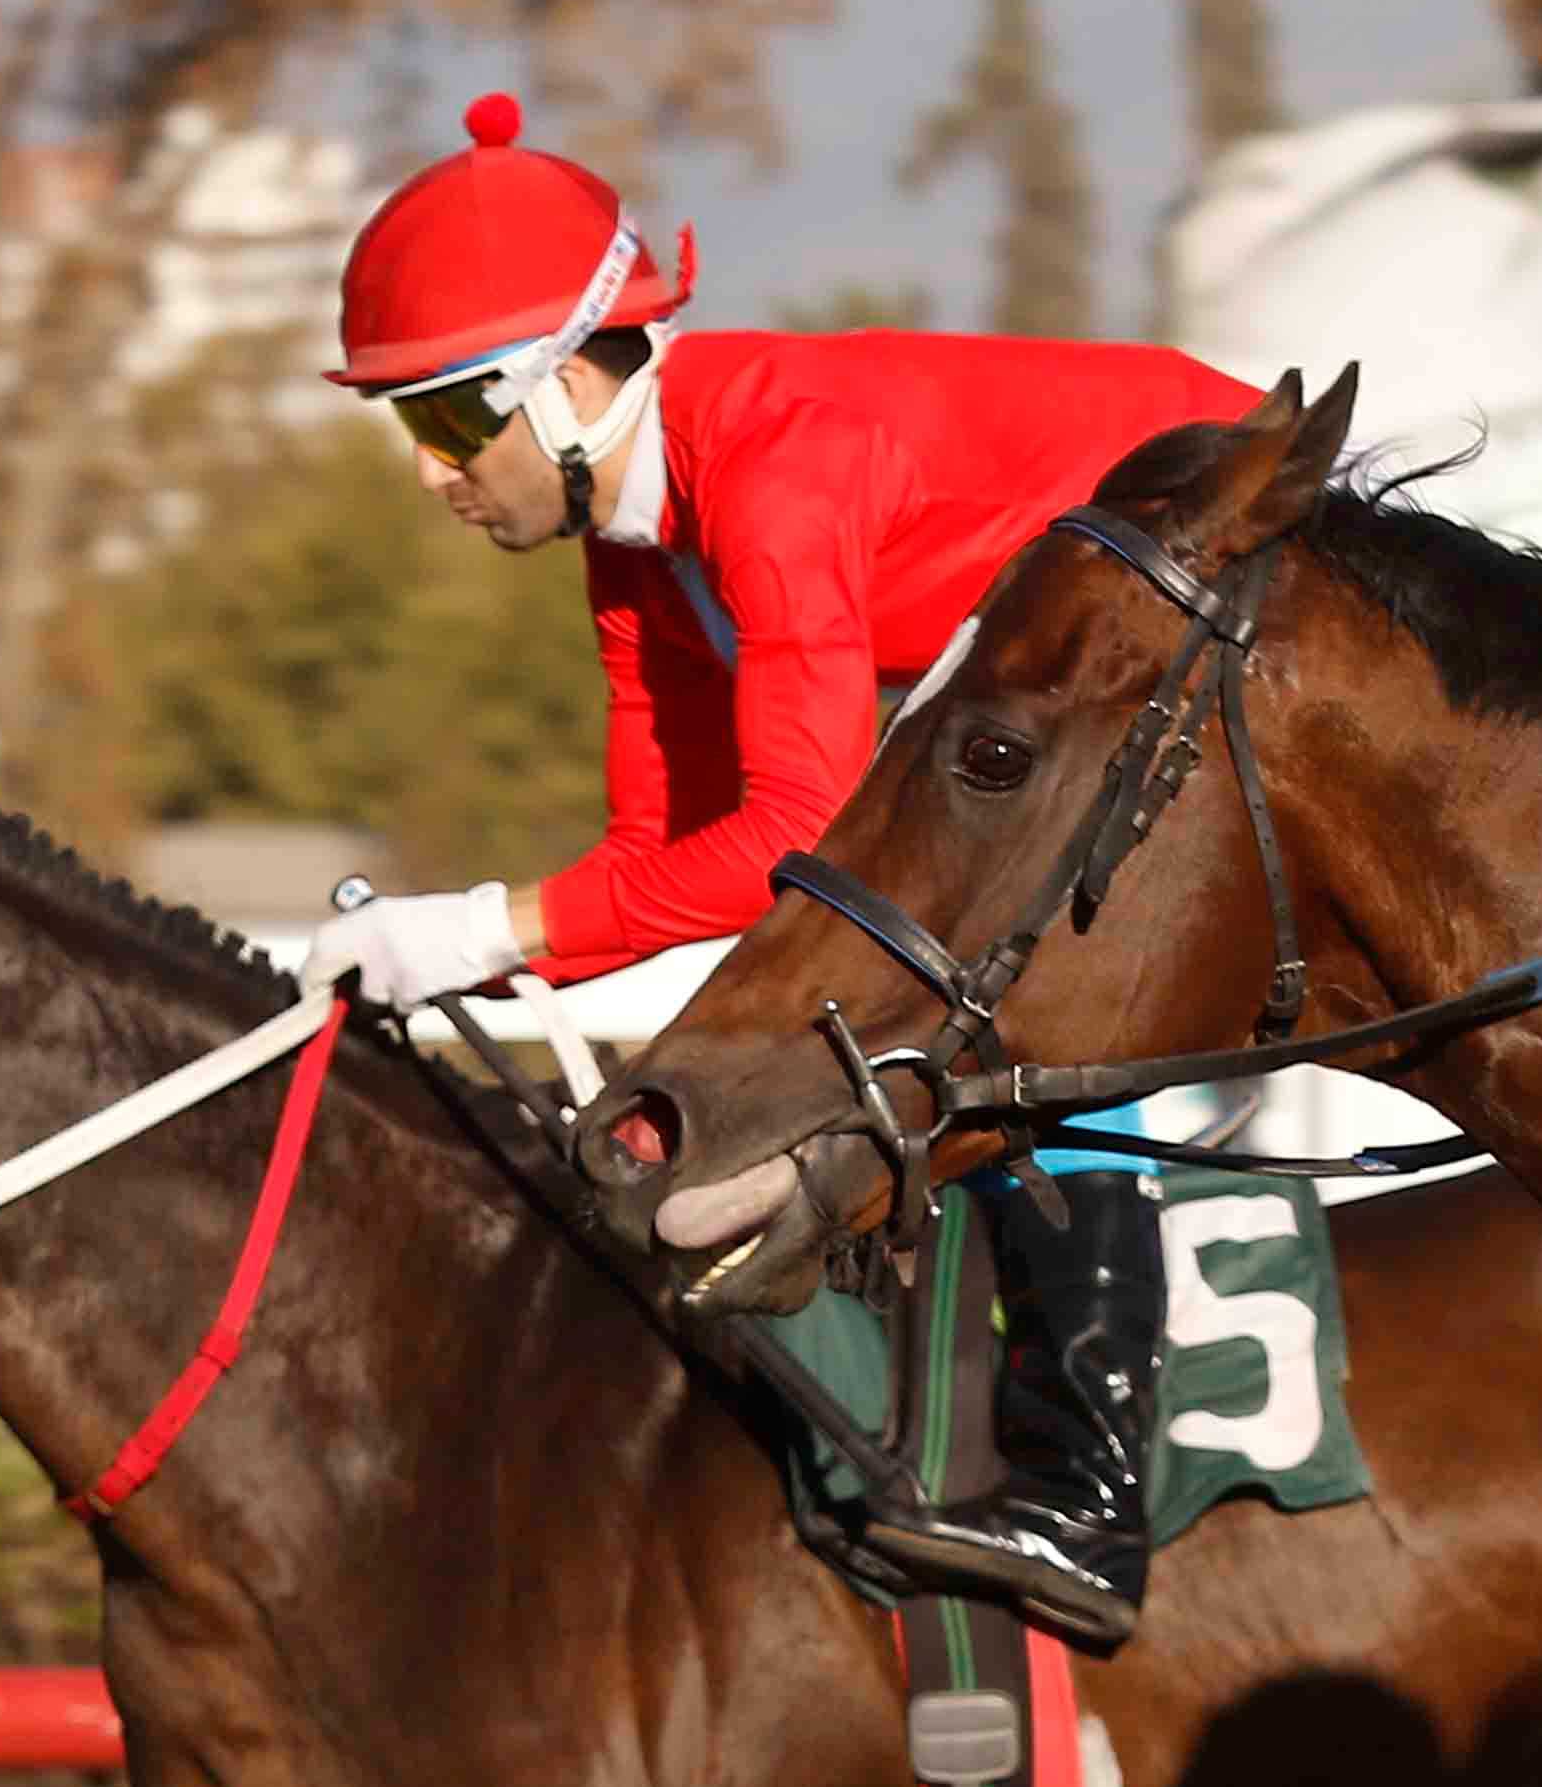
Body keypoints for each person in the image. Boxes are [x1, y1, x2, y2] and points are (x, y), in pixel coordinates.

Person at [300, 95, 1259, 1641]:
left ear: (555, 393)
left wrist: (480, 931)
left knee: (1017, 981)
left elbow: (791, 844)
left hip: (1252, 544)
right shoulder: (635, 546)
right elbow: (662, 859)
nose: (427, 474)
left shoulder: (774, 464)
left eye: (441, 420)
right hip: (1112, 648)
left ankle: (1092, 1492)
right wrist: (471, 952)